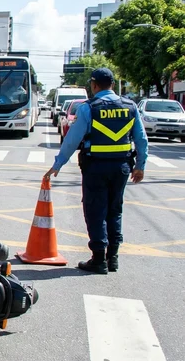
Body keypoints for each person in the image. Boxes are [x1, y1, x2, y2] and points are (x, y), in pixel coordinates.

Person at [44, 68, 148, 274]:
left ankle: (99, 259)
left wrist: (57, 165)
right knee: (114, 210)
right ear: (112, 84)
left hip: (95, 167)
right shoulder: (130, 106)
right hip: (121, 167)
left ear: (94, 85)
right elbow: (141, 140)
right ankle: (113, 258)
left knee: (95, 210)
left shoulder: (88, 108)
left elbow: (72, 140)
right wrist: (140, 167)